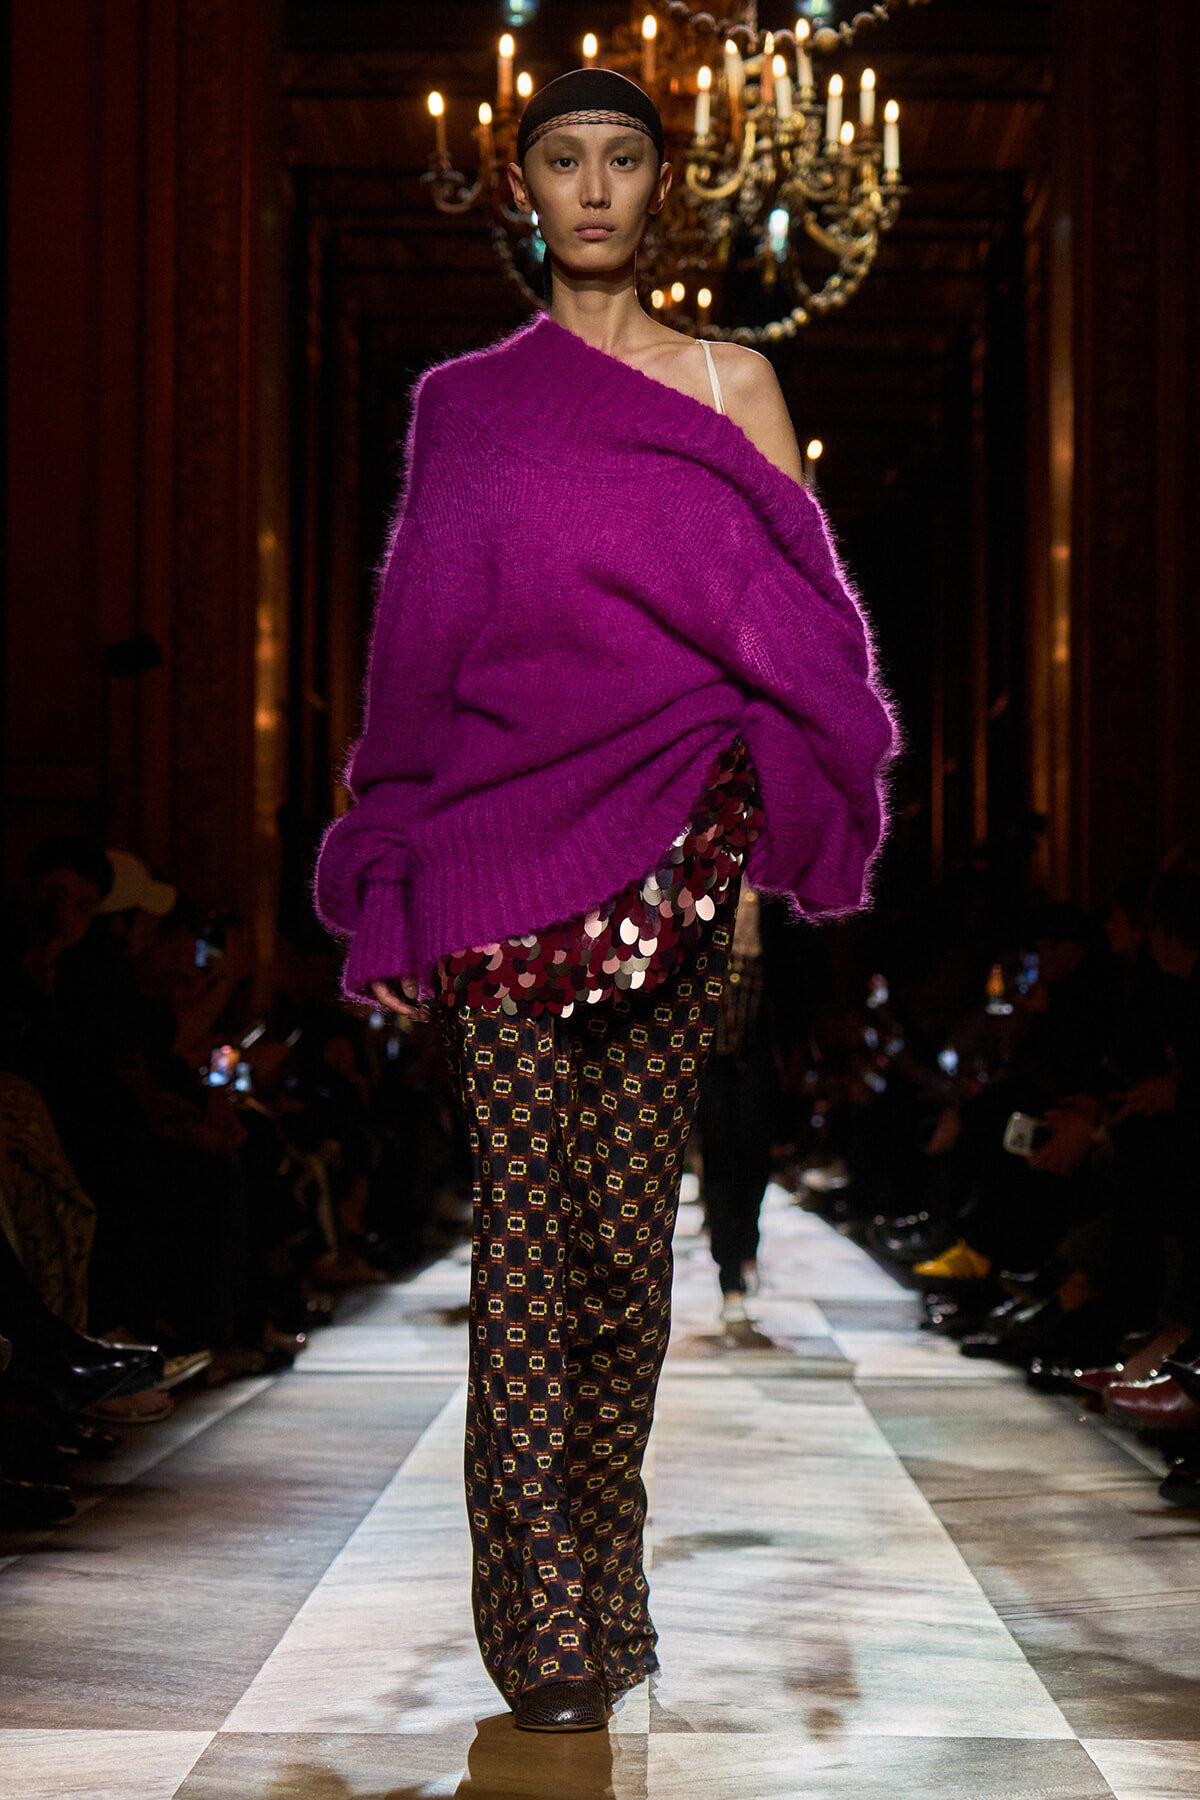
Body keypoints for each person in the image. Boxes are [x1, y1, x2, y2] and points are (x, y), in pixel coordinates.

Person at [315, 68, 898, 1732]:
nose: (591, 188)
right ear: (524, 186)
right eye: (562, 159)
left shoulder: (733, 385)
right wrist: (391, 871)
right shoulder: (468, 408)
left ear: (662, 187)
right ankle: (546, 1628)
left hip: (677, 872)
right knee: (523, 1245)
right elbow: (416, 655)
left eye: (622, 160)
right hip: (498, 867)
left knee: (625, 1260)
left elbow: (803, 644)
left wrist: (758, 888)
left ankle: (603, 1571)